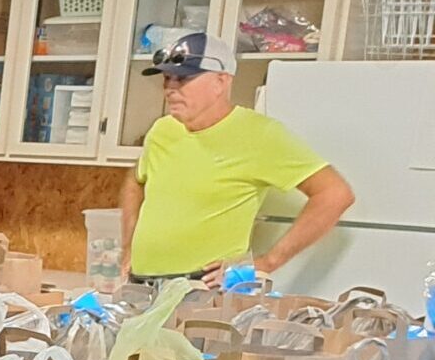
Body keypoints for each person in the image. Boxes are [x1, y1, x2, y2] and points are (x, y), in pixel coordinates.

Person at [120, 33, 356, 286]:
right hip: (140, 285)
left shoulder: (260, 135)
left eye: (184, 78)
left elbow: (335, 194)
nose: (170, 88)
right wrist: (128, 247)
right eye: (167, 79)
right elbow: (135, 181)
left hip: (202, 289)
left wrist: (267, 263)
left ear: (220, 82)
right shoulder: (162, 130)